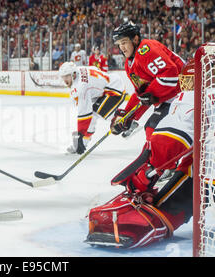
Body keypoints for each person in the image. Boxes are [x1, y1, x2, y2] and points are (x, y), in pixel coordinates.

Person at [85, 59, 195, 248]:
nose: (184, 83)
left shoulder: (189, 97)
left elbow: (169, 144)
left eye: (188, 79)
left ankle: (144, 217)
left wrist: (147, 171)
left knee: (167, 201)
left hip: (212, 173)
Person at [109, 21, 185, 141]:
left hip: (185, 93)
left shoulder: (146, 48)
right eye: (119, 44)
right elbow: (142, 95)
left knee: (154, 131)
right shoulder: (129, 65)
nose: (121, 48)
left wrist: (151, 94)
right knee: (152, 130)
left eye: (124, 42)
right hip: (170, 97)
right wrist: (126, 116)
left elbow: (170, 75)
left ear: (135, 39)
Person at [58, 61, 127, 155]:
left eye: (66, 76)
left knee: (94, 115)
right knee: (96, 113)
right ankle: (126, 120)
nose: (64, 80)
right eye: (63, 77)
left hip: (114, 89)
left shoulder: (81, 87)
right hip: (110, 83)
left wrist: (80, 135)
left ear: (73, 74)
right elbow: (95, 69)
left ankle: (127, 121)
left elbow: (85, 113)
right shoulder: (78, 69)